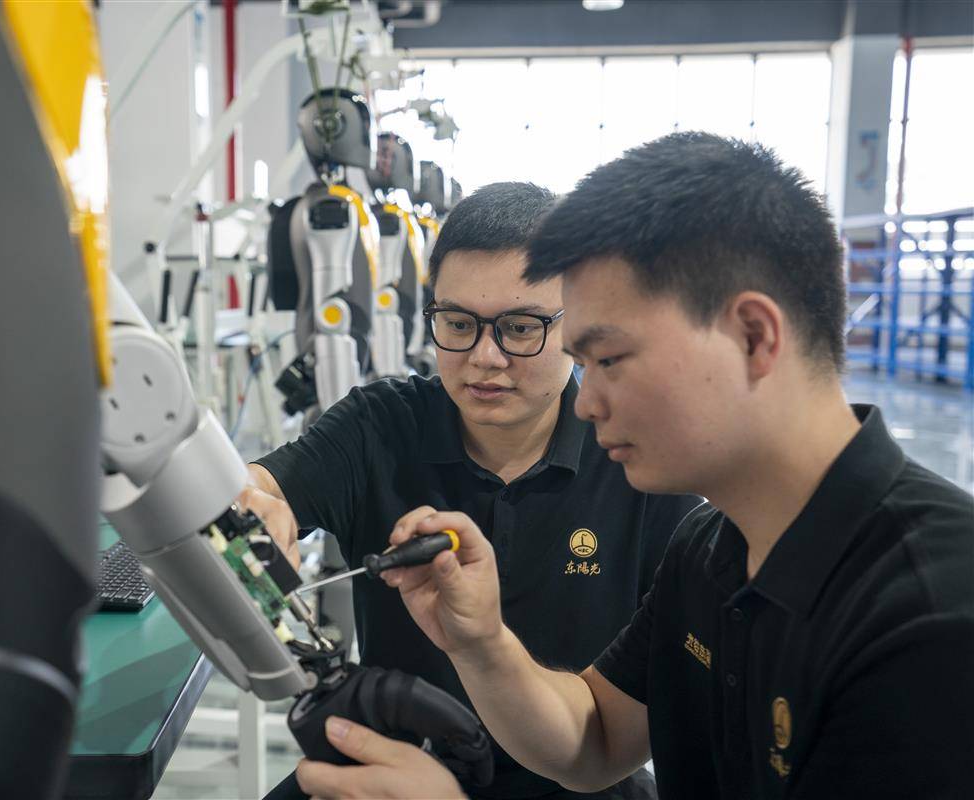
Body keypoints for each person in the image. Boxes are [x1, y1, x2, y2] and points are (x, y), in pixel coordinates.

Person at [294, 133, 974, 799]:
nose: (585, 403)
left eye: (610, 359)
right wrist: (480, 643)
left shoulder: (932, 616)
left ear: (752, 337)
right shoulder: (708, 551)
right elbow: (594, 739)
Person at [242, 181, 700, 799]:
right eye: (457, 323)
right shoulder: (380, 426)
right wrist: (249, 505)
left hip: (577, 782)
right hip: (394, 773)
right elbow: (259, 487)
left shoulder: (638, 459)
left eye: (520, 327)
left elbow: (623, 728)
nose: (485, 356)